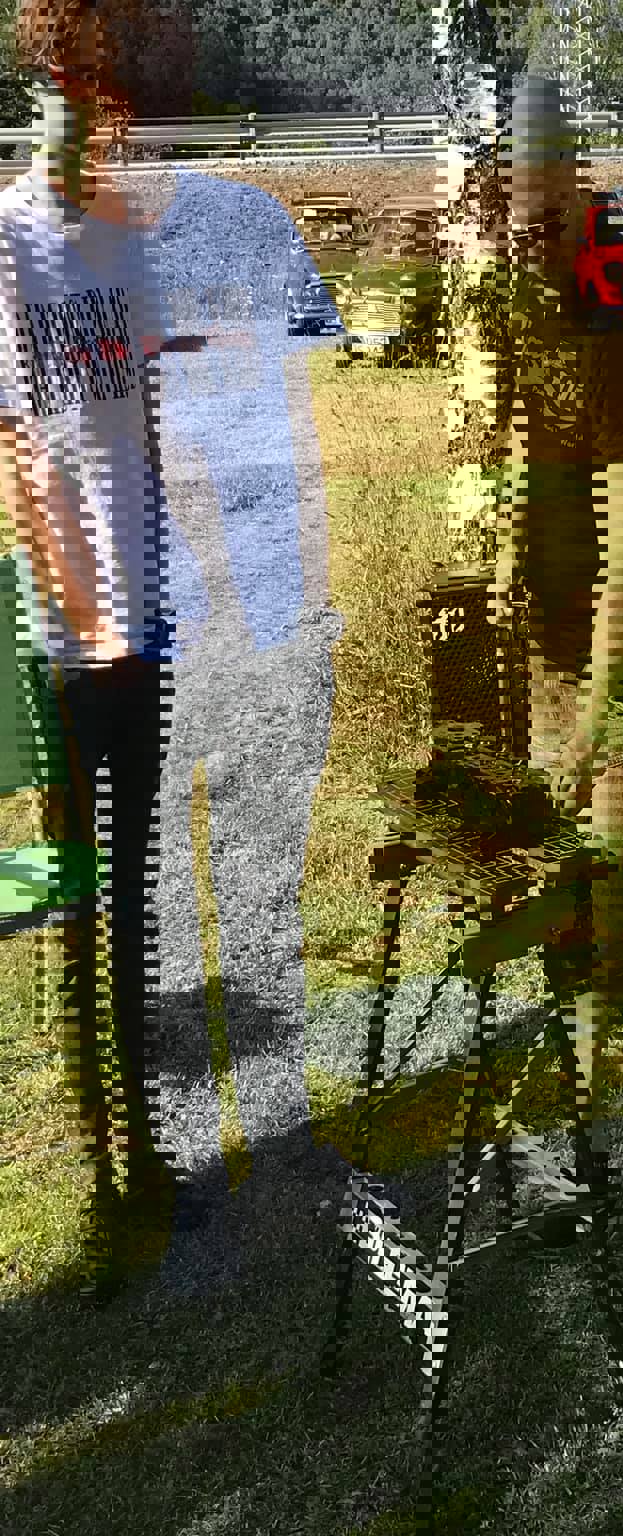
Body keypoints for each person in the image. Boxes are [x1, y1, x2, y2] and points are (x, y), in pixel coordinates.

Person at [2, 0, 175, 1296]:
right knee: (74, 908)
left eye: (103, 81)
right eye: (66, 75)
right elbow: (19, 456)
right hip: (66, 643)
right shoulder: (8, 240)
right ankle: (105, 1187)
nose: (87, 103)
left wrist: (152, 596)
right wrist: (92, 615)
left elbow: (142, 419)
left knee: (135, 901)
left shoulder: (123, 238)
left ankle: (151, 1156)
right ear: (37, 78)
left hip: (147, 626)